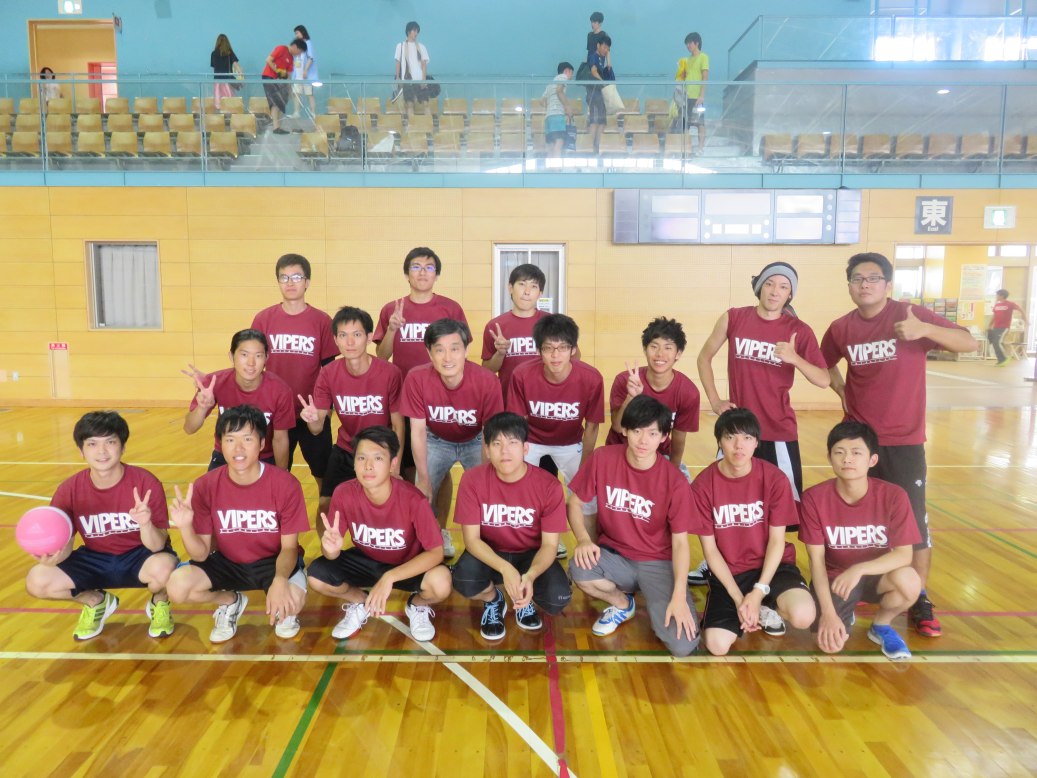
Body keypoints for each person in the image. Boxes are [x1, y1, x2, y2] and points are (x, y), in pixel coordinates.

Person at [821, 252, 978, 638]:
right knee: (858, 518)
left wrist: (925, 329)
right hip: (859, 441)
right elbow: (824, 363)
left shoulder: (911, 315)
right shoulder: (841, 328)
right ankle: (862, 584)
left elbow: (969, 342)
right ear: (849, 285)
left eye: (873, 278)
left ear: (888, 285)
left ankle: (918, 596)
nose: (865, 285)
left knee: (913, 525)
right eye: (857, 279)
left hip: (904, 442)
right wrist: (841, 391)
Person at [23, 411, 177, 641]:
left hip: (140, 556)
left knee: (167, 569)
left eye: (110, 442)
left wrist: (145, 523)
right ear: (81, 450)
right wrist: (51, 558)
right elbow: (65, 545)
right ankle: (95, 601)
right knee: (37, 580)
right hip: (94, 559)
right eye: (92, 444)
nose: (102, 451)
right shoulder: (69, 490)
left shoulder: (145, 482)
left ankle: (160, 602)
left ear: (122, 447)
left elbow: (157, 546)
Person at [567, 395, 699, 657]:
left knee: (682, 645)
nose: (643, 440)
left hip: (658, 563)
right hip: (616, 556)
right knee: (580, 568)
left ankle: (660, 597)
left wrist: (679, 596)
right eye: (637, 431)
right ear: (625, 430)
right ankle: (621, 603)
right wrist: (583, 539)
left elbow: (681, 544)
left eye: (652, 433)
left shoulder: (674, 481)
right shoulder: (603, 458)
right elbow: (574, 502)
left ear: (664, 437)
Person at [167, 405, 309, 643]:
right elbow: (200, 554)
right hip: (228, 562)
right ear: (220, 444)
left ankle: (284, 600)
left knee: (292, 601)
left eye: (247, 439)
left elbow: (289, 548)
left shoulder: (286, 484)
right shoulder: (205, 485)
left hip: (272, 562)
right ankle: (230, 602)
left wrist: (280, 580)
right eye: (230, 439)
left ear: (262, 443)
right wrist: (185, 527)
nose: (238, 448)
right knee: (177, 587)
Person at [697, 261, 829, 503]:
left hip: (778, 429)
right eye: (769, 284)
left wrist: (795, 358)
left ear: (790, 294)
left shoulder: (799, 330)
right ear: (759, 287)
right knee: (728, 502)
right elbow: (704, 357)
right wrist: (714, 401)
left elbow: (823, 379)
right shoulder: (734, 317)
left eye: (783, 287)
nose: (775, 291)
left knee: (785, 504)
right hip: (738, 429)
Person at [690, 408, 816, 655]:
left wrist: (758, 592)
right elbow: (710, 551)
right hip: (730, 573)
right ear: (719, 441)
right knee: (717, 645)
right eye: (730, 437)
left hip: (773, 567)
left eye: (747, 438)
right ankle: (753, 607)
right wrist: (739, 599)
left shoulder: (774, 479)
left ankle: (767, 605)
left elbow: (777, 542)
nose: (739, 446)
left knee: (803, 615)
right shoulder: (703, 486)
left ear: (757, 443)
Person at [307, 426, 450, 642]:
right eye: (361, 458)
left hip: (406, 564)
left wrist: (389, 577)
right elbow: (330, 555)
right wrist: (331, 550)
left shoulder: (413, 500)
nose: (368, 466)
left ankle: (417, 605)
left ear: (393, 463)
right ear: (354, 463)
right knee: (317, 576)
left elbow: (436, 552)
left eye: (378, 458)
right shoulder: (344, 493)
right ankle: (360, 601)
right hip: (366, 560)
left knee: (441, 583)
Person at [800, 421, 922, 661]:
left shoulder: (894, 496)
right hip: (836, 579)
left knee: (909, 581)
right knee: (829, 646)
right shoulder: (814, 498)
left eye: (856, 453)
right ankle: (844, 610)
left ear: (872, 460)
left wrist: (859, 569)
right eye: (839, 452)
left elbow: (904, 555)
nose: (847, 459)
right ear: (829, 457)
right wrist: (829, 614)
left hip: (876, 575)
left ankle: (881, 625)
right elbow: (816, 562)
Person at [452, 413, 572, 640]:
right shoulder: (472, 480)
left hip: (530, 554)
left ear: (526, 448)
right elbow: (472, 540)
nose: (504, 451)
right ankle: (493, 599)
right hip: (490, 551)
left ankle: (523, 600)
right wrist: (505, 569)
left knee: (558, 598)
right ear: (487, 450)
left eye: (512, 443)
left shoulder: (549, 485)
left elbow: (549, 545)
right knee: (462, 580)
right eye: (497, 444)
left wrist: (530, 576)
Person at [374, 247, 468, 507]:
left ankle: (440, 525)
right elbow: (381, 356)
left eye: (429, 267)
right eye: (416, 267)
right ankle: (413, 518)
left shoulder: (450, 308)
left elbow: (461, 353)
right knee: (407, 467)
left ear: (437, 274)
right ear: (407, 274)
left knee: (440, 468)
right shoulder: (392, 309)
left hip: (441, 400)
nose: (423, 272)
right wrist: (392, 329)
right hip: (404, 399)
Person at [401, 319, 504, 557]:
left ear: (466, 350)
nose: (447, 357)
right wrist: (423, 478)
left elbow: (489, 433)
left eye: (455, 349)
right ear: (429, 353)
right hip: (437, 439)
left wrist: (485, 477)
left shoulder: (487, 380)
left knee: (488, 492)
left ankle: (484, 544)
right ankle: (432, 541)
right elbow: (417, 430)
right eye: (439, 350)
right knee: (421, 493)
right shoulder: (417, 378)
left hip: (476, 440)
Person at [506, 313, 604, 560]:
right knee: (517, 489)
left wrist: (585, 469)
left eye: (562, 348)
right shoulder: (522, 374)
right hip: (532, 440)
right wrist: (519, 457)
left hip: (571, 443)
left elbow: (592, 426)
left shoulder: (591, 378)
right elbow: (518, 422)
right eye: (548, 348)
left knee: (587, 496)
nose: (555, 355)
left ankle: (592, 550)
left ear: (573, 349)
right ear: (539, 350)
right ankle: (529, 544)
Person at [299, 306, 404, 526]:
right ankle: (328, 547)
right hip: (347, 448)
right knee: (326, 504)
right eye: (343, 335)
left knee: (385, 507)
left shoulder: (390, 373)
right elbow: (317, 429)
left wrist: (394, 466)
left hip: (381, 450)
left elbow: (398, 425)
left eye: (356, 334)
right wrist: (312, 418)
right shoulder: (328, 373)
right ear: (335, 340)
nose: (349, 342)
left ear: (368, 337)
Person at [250, 254, 337, 493]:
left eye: (296, 277)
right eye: (284, 277)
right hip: (275, 414)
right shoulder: (263, 319)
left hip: (311, 413)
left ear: (307, 282)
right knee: (274, 478)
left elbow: (330, 370)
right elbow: (253, 365)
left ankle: (327, 519)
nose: (290, 283)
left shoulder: (322, 321)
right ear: (278, 281)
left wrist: (325, 411)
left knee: (324, 481)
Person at [182, 329, 295, 471]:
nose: (251, 363)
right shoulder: (213, 384)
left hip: (263, 457)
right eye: (244, 355)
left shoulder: (280, 390)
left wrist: (281, 475)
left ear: (266, 358)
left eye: (258, 356)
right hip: (225, 455)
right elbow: (189, 428)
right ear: (231, 356)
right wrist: (202, 407)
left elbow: (280, 439)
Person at [606, 316, 700, 482]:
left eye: (668, 348)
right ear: (645, 349)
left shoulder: (688, 392)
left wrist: (673, 472)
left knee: (684, 489)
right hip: (620, 451)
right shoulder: (625, 380)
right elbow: (618, 427)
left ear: (678, 353)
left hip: (659, 454)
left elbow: (679, 439)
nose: (660, 354)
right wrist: (631, 397)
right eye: (654, 346)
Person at [481, 263, 549, 394]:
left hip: (544, 398)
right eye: (522, 284)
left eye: (534, 286)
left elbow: (574, 356)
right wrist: (500, 353)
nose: (527, 292)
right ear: (510, 288)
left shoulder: (552, 323)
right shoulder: (495, 326)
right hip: (509, 398)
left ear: (540, 293)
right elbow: (487, 370)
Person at [674, 33, 709, 154]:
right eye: (686, 44)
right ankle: (686, 148)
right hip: (686, 97)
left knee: (700, 123)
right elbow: (682, 77)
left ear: (696, 43)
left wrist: (701, 95)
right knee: (685, 123)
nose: (688, 46)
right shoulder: (686, 60)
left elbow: (705, 77)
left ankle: (700, 148)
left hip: (697, 97)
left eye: (690, 43)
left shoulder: (704, 57)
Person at [263, 38, 306, 134]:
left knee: (282, 102)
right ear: (295, 46)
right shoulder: (281, 48)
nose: (298, 55)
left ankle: (278, 126)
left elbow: (289, 75)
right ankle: (276, 127)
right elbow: (268, 60)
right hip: (269, 77)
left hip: (280, 80)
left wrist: (289, 89)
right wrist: (277, 71)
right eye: (299, 52)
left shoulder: (291, 58)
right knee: (276, 101)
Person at [393, 21, 430, 118]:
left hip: (419, 80)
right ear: (408, 31)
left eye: (417, 31)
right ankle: (412, 125)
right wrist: (398, 78)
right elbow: (398, 62)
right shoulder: (400, 46)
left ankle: (428, 124)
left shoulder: (421, 47)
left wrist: (423, 80)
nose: (416, 33)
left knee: (426, 104)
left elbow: (424, 65)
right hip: (407, 80)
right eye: (414, 30)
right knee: (409, 104)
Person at [587, 35, 614, 154]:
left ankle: (597, 146)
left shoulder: (602, 59)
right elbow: (593, 72)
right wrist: (603, 83)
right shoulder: (593, 57)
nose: (606, 50)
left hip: (601, 95)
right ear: (598, 45)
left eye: (608, 48)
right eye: (604, 47)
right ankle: (591, 147)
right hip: (594, 94)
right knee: (594, 120)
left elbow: (609, 70)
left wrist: (608, 57)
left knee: (602, 122)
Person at [988, 289, 1027, 366]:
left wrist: (1025, 319)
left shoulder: (1010, 304)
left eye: (997, 295)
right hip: (996, 327)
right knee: (995, 343)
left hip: (1004, 327)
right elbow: (994, 316)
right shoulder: (997, 305)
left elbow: (1021, 310)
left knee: (997, 342)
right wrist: (990, 325)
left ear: (1002, 296)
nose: (996, 296)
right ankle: (1001, 360)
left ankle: (1004, 358)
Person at [544, 62, 575, 157]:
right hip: (557, 115)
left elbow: (542, 101)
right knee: (559, 142)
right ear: (566, 71)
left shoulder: (551, 84)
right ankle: (556, 165)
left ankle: (550, 165)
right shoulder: (563, 77)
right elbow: (559, 91)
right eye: (571, 73)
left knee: (551, 145)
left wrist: (551, 107)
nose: (571, 76)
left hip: (548, 117)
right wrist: (567, 107)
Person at [290, 25, 318, 118]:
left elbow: (310, 58)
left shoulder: (308, 43)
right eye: (295, 34)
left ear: (302, 32)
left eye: (297, 33)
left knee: (309, 94)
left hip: (306, 76)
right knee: (296, 94)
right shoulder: (298, 44)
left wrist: (305, 70)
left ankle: (313, 114)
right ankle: (296, 113)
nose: (296, 35)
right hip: (298, 75)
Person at [210, 34, 240, 110]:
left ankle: (221, 116)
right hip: (227, 81)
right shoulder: (229, 53)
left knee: (219, 103)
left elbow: (214, 67)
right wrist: (241, 73)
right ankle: (229, 116)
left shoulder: (213, 53)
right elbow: (236, 64)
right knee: (229, 103)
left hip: (217, 82)